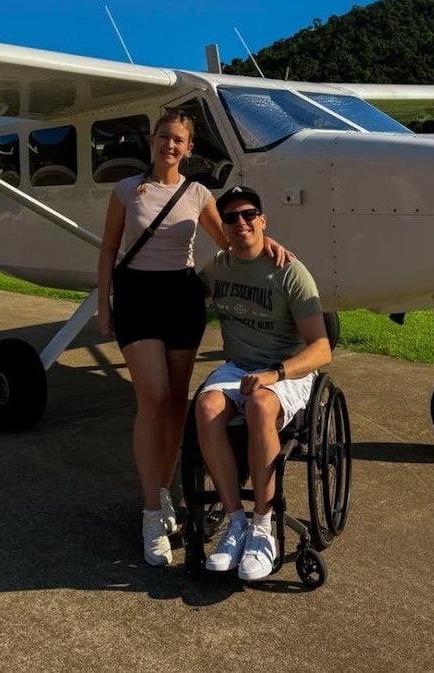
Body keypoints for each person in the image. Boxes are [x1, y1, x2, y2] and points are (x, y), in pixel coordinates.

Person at [96, 110, 290, 567]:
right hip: (138, 298)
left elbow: (231, 241)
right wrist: (104, 304)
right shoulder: (126, 191)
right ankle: (149, 512)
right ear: (152, 140)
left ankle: (163, 494)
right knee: (154, 398)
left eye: (178, 139)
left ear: (189, 149)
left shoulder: (198, 192)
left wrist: (270, 243)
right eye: (164, 136)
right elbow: (108, 249)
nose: (170, 144)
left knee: (176, 403)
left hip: (181, 298)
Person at [195, 185, 332, 581]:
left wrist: (276, 374)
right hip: (238, 367)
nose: (241, 222)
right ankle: (235, 521)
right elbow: (183, 293)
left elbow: (321, 349)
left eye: (249, 214)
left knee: (260, 405)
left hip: (285, 369)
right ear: (223, 226)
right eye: (232, 217)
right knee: (205, 408)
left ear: (262, 220)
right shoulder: (218, 268)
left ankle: (262, 527)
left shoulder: (290, 271)